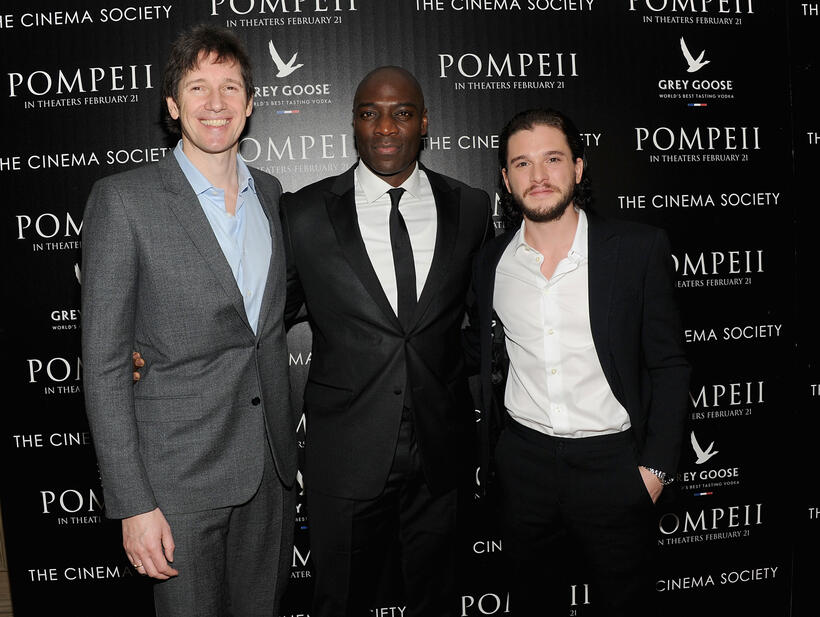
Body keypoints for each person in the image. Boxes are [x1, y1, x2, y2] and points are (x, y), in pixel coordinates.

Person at [81, 25, 297, 617]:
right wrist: (133, 503)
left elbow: (268, 322)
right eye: (198, 87)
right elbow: (102, 365)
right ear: (172, 105)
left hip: (270, 472)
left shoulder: (274, 197)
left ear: (250, 105)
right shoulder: (123, 201)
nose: (216, 103)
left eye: (230, 87)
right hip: (175, 482)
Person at [280, 66, 493, 617]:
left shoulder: (469, 207)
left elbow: (491, 320)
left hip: (441, 454)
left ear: (424, 122)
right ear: (353, 124)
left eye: (401, 112)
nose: (385, 127)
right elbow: (262, 321)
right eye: (369, 113)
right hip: (345, 455)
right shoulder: (304, 214)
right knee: (339, 601)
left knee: (439, 600)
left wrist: (443, 363)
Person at [466, 108, 689, 616]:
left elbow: (670, 366)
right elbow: (482, 356)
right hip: (524, 469)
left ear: (579, 168)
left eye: (552, 159)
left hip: (615, 465)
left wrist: (654, 468)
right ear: (505, 179)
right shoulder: (491, 263)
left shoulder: (635, 249)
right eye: (522, 164)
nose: (538, 176)